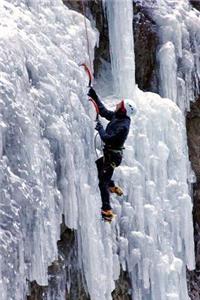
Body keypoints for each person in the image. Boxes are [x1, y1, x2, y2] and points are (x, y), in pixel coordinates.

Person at [88, 87, 137, 222]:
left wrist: (100, 128)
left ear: (123, 109)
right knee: (98, 167)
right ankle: (112, 185)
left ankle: (107, 210)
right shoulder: (119, 116)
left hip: (113, 157)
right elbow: (103, 112)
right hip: (110, 155)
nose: (117, 105)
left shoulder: (123, 127)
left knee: (101, 182)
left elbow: (108, 138)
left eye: (119, 105)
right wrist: (94, 95)